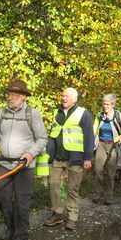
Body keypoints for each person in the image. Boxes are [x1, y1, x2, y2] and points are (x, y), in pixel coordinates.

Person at [0, 80, 47, 240]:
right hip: (4, 163)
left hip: (24, 165)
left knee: (21, 202)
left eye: (15, 94)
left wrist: (31, 153)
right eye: (9, 93)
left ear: (23, 97)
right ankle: (10, 227)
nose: (10, 97)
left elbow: (42, 139)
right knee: (3, 198)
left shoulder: (32, 114)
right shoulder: (1, 113)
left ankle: (21, 236)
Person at [43, 88, 94, 230]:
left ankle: (72, 217)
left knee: (73, 188)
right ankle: (57, 213)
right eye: (62, 95)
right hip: (57, 157)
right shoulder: (57, 112)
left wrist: (88, 157)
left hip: (75, 157)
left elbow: (89, 135)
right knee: (53, 184)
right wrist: (48, 151)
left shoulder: (82, 113)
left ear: (74, 99)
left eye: (67, 96)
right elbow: (53, 134)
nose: (63, 98)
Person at [92, 94, 121, 205]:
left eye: (108, 104)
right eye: (104, 104)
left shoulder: (119, 116)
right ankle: (99, 193)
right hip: (101, 144)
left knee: (110, 172)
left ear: (113, 105)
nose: (105, 106)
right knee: (98, 170)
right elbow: (93, 129)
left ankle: (109, 195)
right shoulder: (99, 116)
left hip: (114, 145)